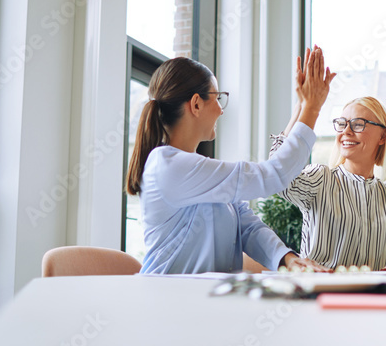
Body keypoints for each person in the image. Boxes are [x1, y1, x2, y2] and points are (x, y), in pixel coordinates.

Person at [128, 48, 335, 274]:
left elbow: (247, 226)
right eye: (217, 98)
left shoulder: (197, 171)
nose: (220, 110)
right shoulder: (167, 165)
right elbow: (273, 175)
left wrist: (287, 258)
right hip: (167, 301)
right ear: (196, 104)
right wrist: (312, 109)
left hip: (205, 300)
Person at [270, 95, 386, 270]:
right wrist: (300, 109)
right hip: (319, 292)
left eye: (357, 124)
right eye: (342, 123)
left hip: (370, 295)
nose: (346, 131)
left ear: (382, 136)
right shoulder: (321, 178)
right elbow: (276, 178)